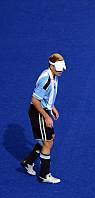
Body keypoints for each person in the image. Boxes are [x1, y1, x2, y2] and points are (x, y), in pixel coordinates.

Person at [21, 53, 66, 183]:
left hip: (44, 109)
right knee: (47, 142)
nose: (61, 70)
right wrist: (46, 116)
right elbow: (35, 100)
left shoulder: (53, 76)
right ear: (51, 66)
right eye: (58, 67)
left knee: (48, 139)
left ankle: (28, 162)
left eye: (62, 67)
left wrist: (53, 107)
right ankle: (44, 175)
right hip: (38, 112)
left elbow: (46, 97)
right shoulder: (46, 80)